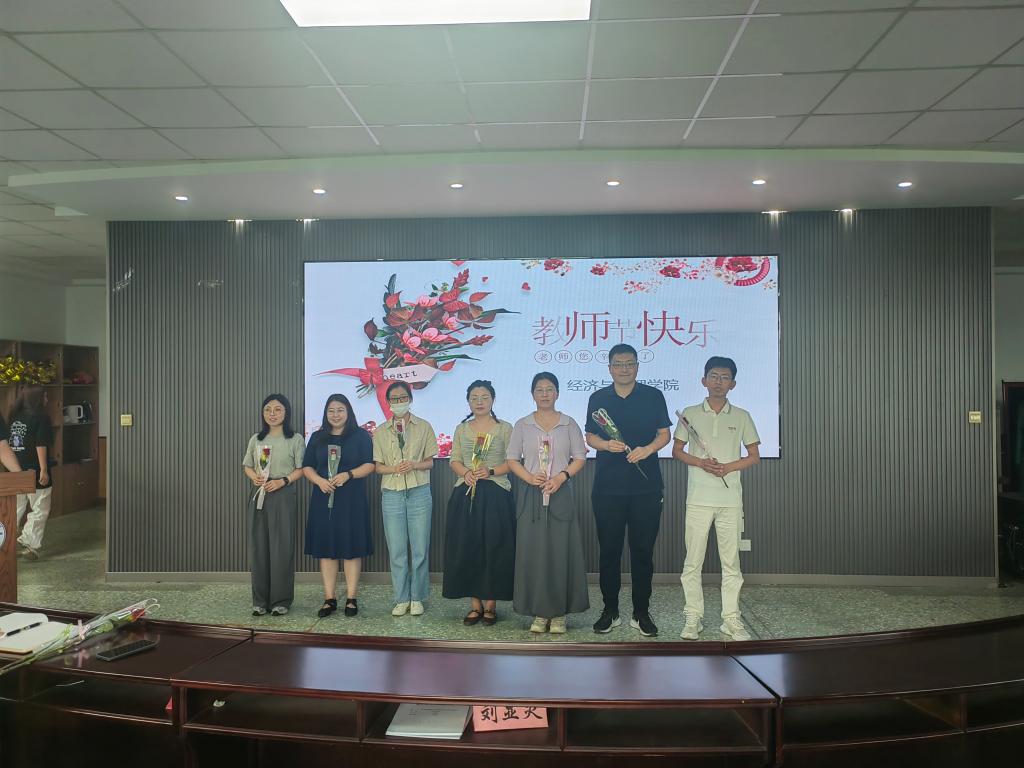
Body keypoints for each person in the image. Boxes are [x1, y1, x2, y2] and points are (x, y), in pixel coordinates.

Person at [585, 344, 671, 637]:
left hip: (646, 489)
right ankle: (610, 611)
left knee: (643, 552)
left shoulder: (653, 396)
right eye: (618, 364)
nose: (624, 368)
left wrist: (647, 449)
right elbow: (590, 436)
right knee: (609, 552)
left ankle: (641, 612)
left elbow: (664, 434)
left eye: (629, 363)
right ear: (609, 368)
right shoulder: (598, 398)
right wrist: (605, 444)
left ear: (637, 366)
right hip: (607, 488)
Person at [674, 356, 760, 642]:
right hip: (698, 499)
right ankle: (693, 617)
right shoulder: (689, 413)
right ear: (704, 380)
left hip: (730, 500)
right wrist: (701, 463)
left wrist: (728, 467)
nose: (719, 382)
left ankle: (731, 619)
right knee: (692, 562)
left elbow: (753, 456)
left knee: (731, 563)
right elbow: (677, 451)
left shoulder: (742, 416)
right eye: (714, 376)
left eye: (725, 377)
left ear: (732, 384)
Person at [507, 372, 589, 634]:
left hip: (560, 492)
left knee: (560, 553)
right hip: (530, 494)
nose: (545, 394)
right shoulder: (523, 425)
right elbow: (512, 459)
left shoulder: (568, 424)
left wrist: (561, 477)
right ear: (532, 394)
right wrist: (530, 478)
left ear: (557, 393)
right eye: (539, 389)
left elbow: (580, 457)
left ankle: (560, 614)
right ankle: (540, 613)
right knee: (533, 554)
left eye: (549, 389)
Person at [442, 380, 515, 626]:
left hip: (496, 493)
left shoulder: (505, 428)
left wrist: (490, 471)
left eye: (484, 397)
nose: (480, 402)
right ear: (468, 401)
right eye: (474, 397)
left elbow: (513, 462)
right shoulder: (462, 429)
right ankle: (475, 604)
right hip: (465, 492)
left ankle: (491, 604)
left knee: (494, 547)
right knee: (468, 547)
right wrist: (466, 473)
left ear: (493, 400)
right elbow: (454, 459)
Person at [303, 394, 374, 619]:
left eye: (340, 410)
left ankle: (351, 597)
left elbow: (370, 465)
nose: (335, 415)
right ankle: (329, 598)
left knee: (351, 548)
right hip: (323, 497)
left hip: (351, 499)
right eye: (331, 410)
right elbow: (307, 466)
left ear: (348, 412)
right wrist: (319, 481)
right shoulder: (317, 437)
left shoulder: (361, 436)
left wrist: (348, 475)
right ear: (326, 413)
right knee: (327, 549)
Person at [373, 381, 438, 617]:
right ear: (388, 403)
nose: (399, 402)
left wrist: (414, 465)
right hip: (392, 493)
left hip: (419, 491)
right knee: (397, 550)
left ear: (410, 399)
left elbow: (430, 462)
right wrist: (394, 469)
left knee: (420, 548)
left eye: (403, 398)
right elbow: (378, 467)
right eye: (394, 399)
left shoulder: (424, 427)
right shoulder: (381, 431)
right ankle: (401, 598)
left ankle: (417, 597)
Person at [242, 394, 305, 617]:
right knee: (258, 547)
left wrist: (282, 481)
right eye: (268, 409)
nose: (272, 413)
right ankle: (260, 601)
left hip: (283, 493)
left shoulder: (295, 439)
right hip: (260, 493)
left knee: (281, 548)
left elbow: (301, 469)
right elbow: (248, 466)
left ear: (286, 413)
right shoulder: (256, 439)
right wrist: (254, 477)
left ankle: (280, 600)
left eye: (278, 409)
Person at [8, 385, 54, 559]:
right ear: (38, 399)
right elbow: (40, 444)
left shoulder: (14, 417)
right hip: (34, 469)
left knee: (14, 508)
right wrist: (44, 470)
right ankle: (29, 542)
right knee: (40, 507)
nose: (47, 400)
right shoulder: (42, 417)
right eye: (45, 396)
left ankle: (4, 541)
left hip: (14, 469)